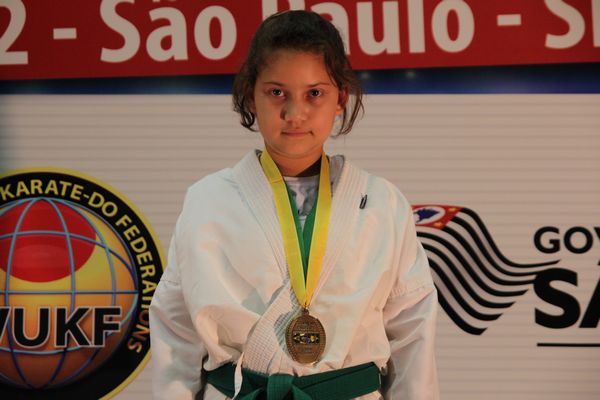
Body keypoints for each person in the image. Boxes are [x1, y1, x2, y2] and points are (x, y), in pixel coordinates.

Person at [149, 10, 438, 400]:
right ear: (250, 94)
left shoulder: (382, 203)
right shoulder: (207, 201)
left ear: (340, 98)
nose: (294, 113)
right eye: (276, 92)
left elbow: (413, 337)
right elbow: (176, 336)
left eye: (314, 93)